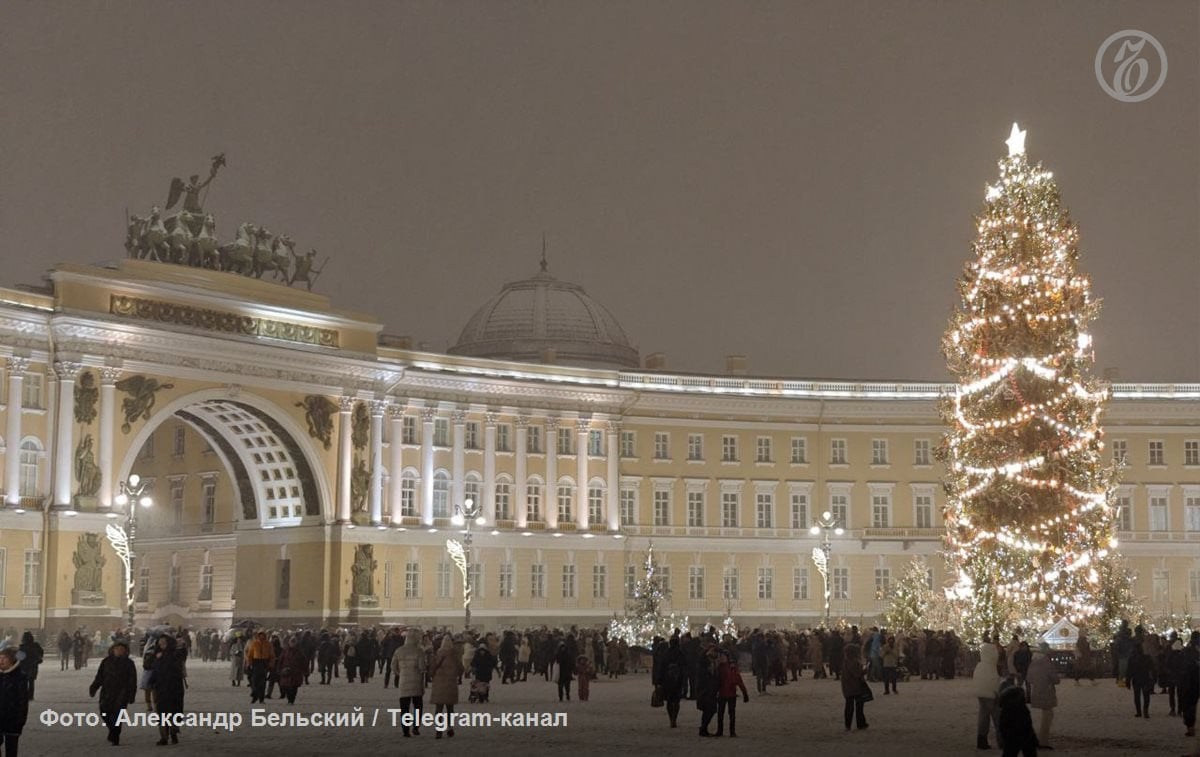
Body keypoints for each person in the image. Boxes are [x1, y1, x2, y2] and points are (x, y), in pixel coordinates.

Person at [89, 640, 138, 745]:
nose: (119, 651)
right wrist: (94, 687)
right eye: (117, 649)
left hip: (122, 693)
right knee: (104, 712)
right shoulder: (106, 661)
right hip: (107, 691)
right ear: (113, 650)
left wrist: (131, 694)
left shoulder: (129, 663)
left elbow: (132, 680)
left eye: (122, 650)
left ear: (125, 651)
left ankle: (115, 735)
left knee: (117, 715)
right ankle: (113, 730)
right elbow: (100, 676)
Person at [151, 635, 186, 745]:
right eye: (160, 643)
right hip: (160, 687)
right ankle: (164, 737)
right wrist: (156, 657)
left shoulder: (176, 654)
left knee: (173, 711)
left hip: (174, 687)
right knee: (161, 712)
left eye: (164, 643)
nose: (161, 645)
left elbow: (177, 665)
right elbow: (148, 666)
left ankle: (174, 732)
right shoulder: (156, 654)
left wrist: (164, 657)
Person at [1025, 642, 1059, 750]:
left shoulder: (1033, 663)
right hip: (1047, 690)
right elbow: (1055, 678)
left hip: (1036, 690)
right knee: (1048, 715)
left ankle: (1039, 739)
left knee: (1046, 715)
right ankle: (1043, 740)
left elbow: (1029, 678)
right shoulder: (1046, 662)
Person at [392, 632, 426, 737]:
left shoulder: (399, 650)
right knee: (418, 707)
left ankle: (405, 730)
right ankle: (416, 727)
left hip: (404, 682)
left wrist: (400, 673)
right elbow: (421, 667)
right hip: (416, 682)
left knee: (404, 708)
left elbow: (393, 666)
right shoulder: (419, 651)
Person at [430, 636, 462, 738]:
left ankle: (438, 730)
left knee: (439, 709)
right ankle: (450, 728)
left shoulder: (438, 654)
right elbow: (461, 668)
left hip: (438, 684)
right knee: (450, 709)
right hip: (451, 684)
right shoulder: (454, 655)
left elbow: (432, 668)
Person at [996, 678, 1037, 757]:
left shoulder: (1005, 711)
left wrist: (1004, 738)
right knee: (1030, 752)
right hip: (1025, 737)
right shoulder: (1022, 709)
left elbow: (1002, 727)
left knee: (1009, 752)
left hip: (1011, 738)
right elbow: (1028, 725)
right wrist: (1033, 738)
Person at [0, 648, 29, 757]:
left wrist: (20, 721)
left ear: (11, 660)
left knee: (11, 749)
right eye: (0, 658)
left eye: (4, 658)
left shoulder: (19, 677)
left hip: (12, 720)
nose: (1, 661)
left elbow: (22, 701)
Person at [973, 640, 1002, 750]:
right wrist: (996, 692)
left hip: (981, 694)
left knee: (983, 717)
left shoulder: (980, 665)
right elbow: (993, 681)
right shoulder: (990, 666)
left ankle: (981, 740)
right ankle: (1001, 741)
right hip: (991, 695)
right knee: (997, 718)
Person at [715, 649, 749, 737]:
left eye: (723, 657)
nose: (721, 658)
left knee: (731, 713)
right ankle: (720, 730)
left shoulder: (732, 667)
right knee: (720, 713)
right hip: (722, 693)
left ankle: (732, 731)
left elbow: (738, 680)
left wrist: (744, 692)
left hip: (731, 693)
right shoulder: (718, 668)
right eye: (720, 656)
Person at [841, 642, 869, 732]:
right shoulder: (854, 662)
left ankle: (847, 724)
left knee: (849, 706)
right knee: (859, 706)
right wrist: (865, 670)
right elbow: (857, 674)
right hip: (856, 686)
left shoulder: (845, 662)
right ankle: (861, 723)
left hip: (847, 686)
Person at [696, 643, 720, 737]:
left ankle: (703, 727)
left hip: (711, 688)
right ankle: (703, 728)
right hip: (705, 689)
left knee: (710, 710)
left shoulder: (713, 661)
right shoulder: (703, 661)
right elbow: (702, 675)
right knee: (708, 709)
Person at [245, 631, 275, 704]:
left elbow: (272, 656)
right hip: (256, 663)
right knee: (254, 681)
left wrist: (271, 665)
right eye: (260, 636)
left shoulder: (268, 644)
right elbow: (250, 655)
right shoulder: (254, 644)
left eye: (263, 636)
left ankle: (261, 698)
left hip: (264, 663)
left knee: (262, 682)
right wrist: (249, 664)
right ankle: (255, 694)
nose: (262, 637)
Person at [1128, 642, 1155, 718]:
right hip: (1145, 678)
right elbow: (1152, 668)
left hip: (1136, 679)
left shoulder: (1132, 659)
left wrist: (1128, 681)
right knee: (1146, 696)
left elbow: (1129, 671)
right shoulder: (1147, 658)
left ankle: (1139, 712)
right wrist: (1152, 678)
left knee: (1137, 696)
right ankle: (1145, 711)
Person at [277, 637, 306, 704]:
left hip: (296, 671)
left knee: (294, 686)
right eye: (291, 642)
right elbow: (281, 660)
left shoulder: (299, 651)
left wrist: (304, 670)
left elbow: (303, 661)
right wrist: (279, 669)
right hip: (286, 671)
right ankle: (289, 697)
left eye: (294, 642)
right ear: (289, 643)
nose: (292, 644)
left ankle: (291, 700)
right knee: (285, 686)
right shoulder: (285, 651)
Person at [16, 632, 42, 701]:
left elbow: (19, 658)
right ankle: (31, 696)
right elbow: (41, 653)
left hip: (24, 667)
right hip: (33, 666)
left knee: (24, 682)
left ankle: (24, 695)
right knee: (31, 682)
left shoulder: (22, 647)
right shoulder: (36, 645)